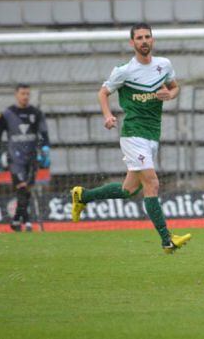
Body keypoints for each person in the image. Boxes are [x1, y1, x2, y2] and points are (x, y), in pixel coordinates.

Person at [69, 22, 191, 254]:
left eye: (147, 37)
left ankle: (82, 196)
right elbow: (103, 92)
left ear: (152, 40)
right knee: (152, 183)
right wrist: (107, 115)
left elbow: (175, 87)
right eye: (139, 38)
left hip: (152, 133)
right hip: (133, 134)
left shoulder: (163, 65)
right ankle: (167, 240)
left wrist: (170, 94)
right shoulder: (124, 71)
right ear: (132, 43)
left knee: (128, 190)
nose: (144, 41)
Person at [0, 84, 50, 232]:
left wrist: (46, 149)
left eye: (27, 94)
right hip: (15, 158)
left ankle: (21, 221)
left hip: (32, 158)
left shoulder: (36, 113)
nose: (25, 97)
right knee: (21, 187)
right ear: (16, 95)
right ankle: (21, 221)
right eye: (23, 94)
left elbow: (44, 133)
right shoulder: (7, 114)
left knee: (26, 189)